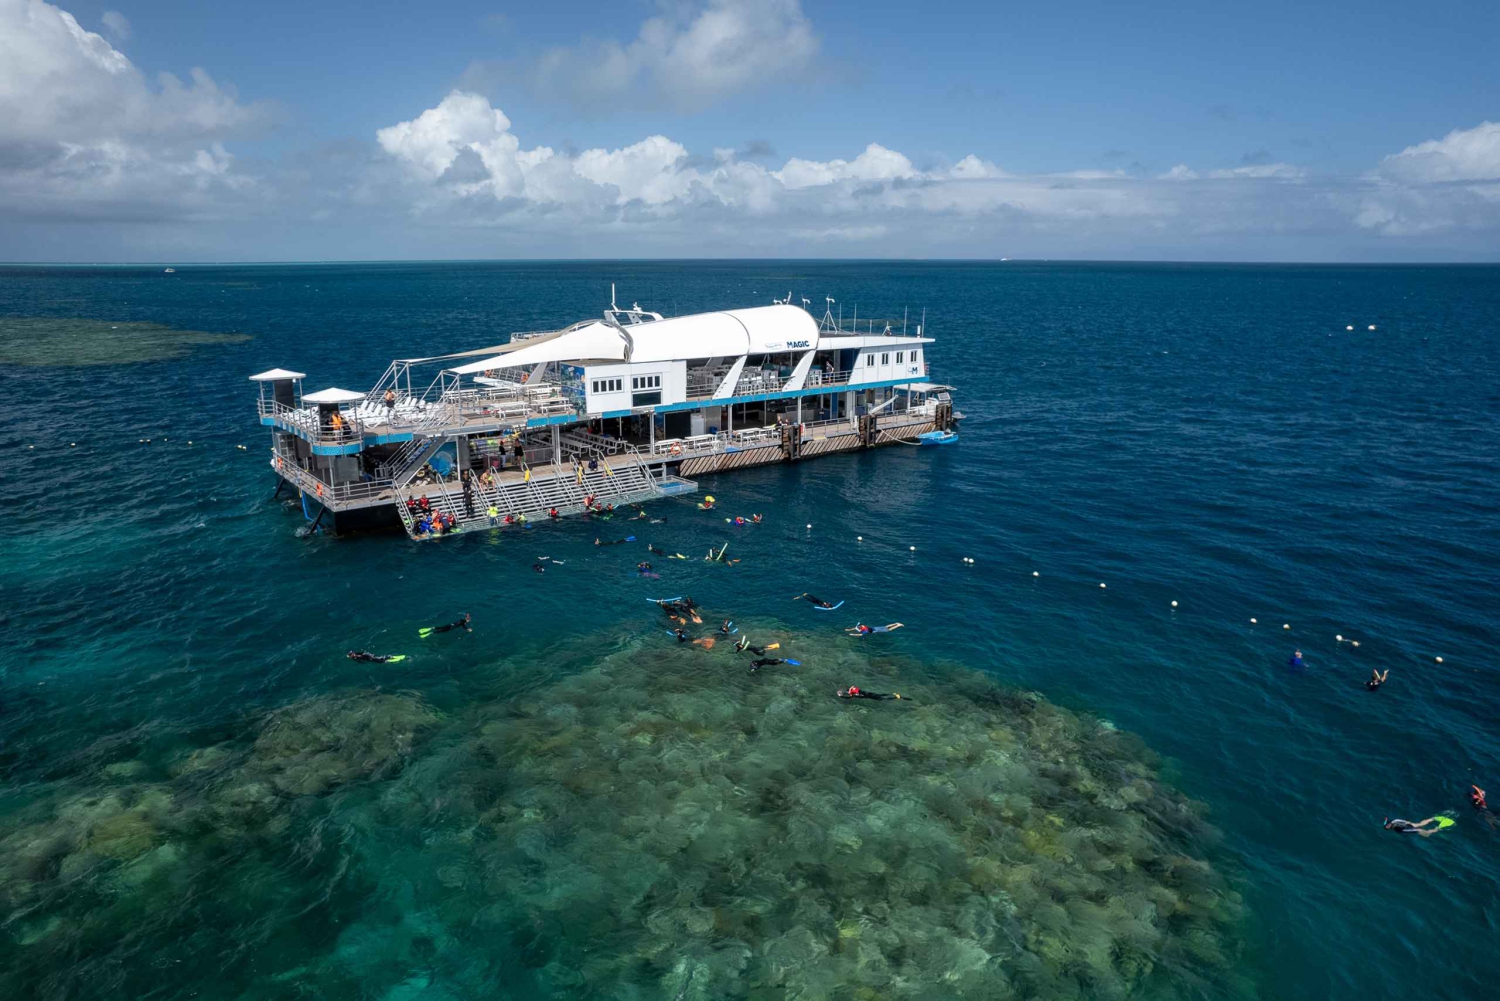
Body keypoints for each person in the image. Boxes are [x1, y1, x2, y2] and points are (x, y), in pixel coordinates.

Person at [1383, 816, 1453, 837]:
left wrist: (1406, 822)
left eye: (1388, 825)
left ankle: (1433, 818)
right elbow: (1405, 830)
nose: (1388, 826)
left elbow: (1399, 820)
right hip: (1403, 829)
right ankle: (1437, 828)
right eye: (1388, 827)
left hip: (1405, 824)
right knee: (1425, 832)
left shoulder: (1393, 821)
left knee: (1419, 824)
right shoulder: (1397, 829)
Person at [837, 686, 902, 700]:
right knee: (880, 695)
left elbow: (849, 697)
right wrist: (843, 693)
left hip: (871, 696)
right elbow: (850, 692)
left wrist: (841, 696)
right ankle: (893, 694)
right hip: (870, 693)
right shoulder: (857, 690)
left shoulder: (856, 694)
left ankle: (896, 697)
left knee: (883, 699)